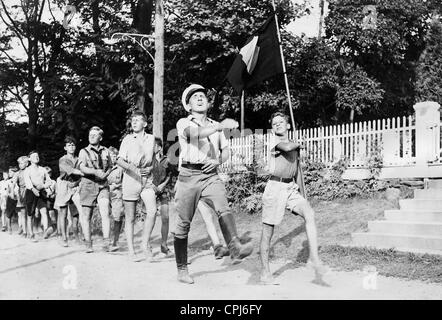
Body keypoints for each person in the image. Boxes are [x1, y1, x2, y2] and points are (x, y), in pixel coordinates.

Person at [172, 84, 253, 284]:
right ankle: (182, 269)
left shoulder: (216, 125)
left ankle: (235, 247)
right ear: (188, 105)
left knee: (223, 206)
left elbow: (225, 151)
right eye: (195, 97)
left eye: (203, 96)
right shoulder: (184, 122)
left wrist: (218, 161)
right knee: (183, 224)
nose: (200, 99)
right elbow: (194, 135)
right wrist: (220, 126)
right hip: (188, 175)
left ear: (208, 103)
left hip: (210, 174)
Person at [259, 112, 328, 285]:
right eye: (274, 124)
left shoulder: (293, 145)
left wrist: (303, 197)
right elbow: (288, 148)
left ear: (288, 125)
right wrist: (300, 144)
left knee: (309, 213)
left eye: (281, 122)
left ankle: (314, 259)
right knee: (268, 233)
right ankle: (265, 273)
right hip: (275, 188)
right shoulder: (276, 143)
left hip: (291, 188)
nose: (277, 125)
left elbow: (297, 172)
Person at [115, 111, 157, 262]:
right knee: (130, 217)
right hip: (131, 179)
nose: (134, 122)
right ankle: (131, 251)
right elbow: (119, 160)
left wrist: (150, 169)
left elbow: (155, 160)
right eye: (132, 120)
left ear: (145, 124)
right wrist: (135, 169)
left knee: (152, 211)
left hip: (147, 180)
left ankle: (145, 244)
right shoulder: (127, 139)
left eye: (138, 120)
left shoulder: (151, 139)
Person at [78, 126, 112, 253]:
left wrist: (106, 174)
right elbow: (82, 168)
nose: (91, 136)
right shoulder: (83, 151)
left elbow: (110, 166)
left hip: (102, 184)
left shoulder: (106, 151)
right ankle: (88, 243)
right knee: (87, 215)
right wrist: (95, 172)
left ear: (100, 137)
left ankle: (106, 242)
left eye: (94, 135)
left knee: (105, 210)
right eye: (90, 134)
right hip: (88, 185)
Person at [55, 136, 84, 247]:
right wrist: (81, 173)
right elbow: (70, 171)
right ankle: (64, 237)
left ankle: (77, 237)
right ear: (65, 147)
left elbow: (82, 169)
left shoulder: (78, 159)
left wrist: (79, 179)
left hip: (75, 185)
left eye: (73, 145)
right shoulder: (63, 159)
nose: (71, 147)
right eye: (69, 145)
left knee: (75, 213)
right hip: (64, 185)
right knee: (63, 212)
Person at [23, 151, 52, 242]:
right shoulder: (28, 169)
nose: (36, 157)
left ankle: (46, 231)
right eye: (34, 156)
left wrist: (43, 186)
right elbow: (27, 181)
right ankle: (31, 234)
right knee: (30, 214)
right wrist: (33, 189)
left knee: (44, 210)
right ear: (29, 159)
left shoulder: (42, 169)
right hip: (31, 192)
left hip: (41, 192)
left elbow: (49, 181)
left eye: (37, 155)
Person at [107, 146, 124, 252]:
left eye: (114, 156)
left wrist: (117, 185)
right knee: (106, 218)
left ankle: (115, 240)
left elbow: (126, 181)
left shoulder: (120, 168)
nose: (112, 158)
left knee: (117, 217)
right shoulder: (104, 167)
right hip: (105, 194)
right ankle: (107, 240)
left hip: (117, 194)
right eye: (110, 156)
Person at [42, 166, 58, 239]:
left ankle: (49, 231)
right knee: (44, 217)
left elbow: (57, 192)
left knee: (52, 217)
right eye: (47, 173)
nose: (48, 174)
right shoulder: (41, 182)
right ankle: (45, 230)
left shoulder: (53, 182)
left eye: (49, 173)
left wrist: (53, 195)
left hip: (51, 201)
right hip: (43, 201)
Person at [15, 156, 29, 237]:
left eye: (22, 163)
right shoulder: (18, 173)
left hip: (31, 191)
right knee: (23, 212)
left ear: (27, 164)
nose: (20, 165)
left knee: (31, 212)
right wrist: (16, 192)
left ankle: (35, 229)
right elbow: (14, 183)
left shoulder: (30, 171)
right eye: (19, 163)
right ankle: (24, 231)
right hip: (22, 192)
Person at [5, 167, 19, 234]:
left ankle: (21, 228)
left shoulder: (19, 180)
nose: (9, 173)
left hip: (18, 198)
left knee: (20, 213)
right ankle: (9, 227)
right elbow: (7, 191)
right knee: (9, 214)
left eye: (10, 172)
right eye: (9, 172)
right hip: (11, 198)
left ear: (15, 172)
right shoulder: (8, 181)